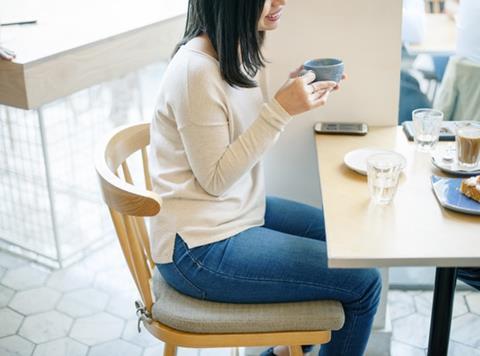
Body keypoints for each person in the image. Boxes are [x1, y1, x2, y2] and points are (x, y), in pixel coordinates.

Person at [149, 1, 382, 355]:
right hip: (197, 248)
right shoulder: (195, 70)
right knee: (364, 284)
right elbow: (215, 179)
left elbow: (240, 139)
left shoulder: (242, 51)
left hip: (237, 213)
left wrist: (292, 94)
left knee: (348, 242)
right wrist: (280, 109)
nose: (280, 2)